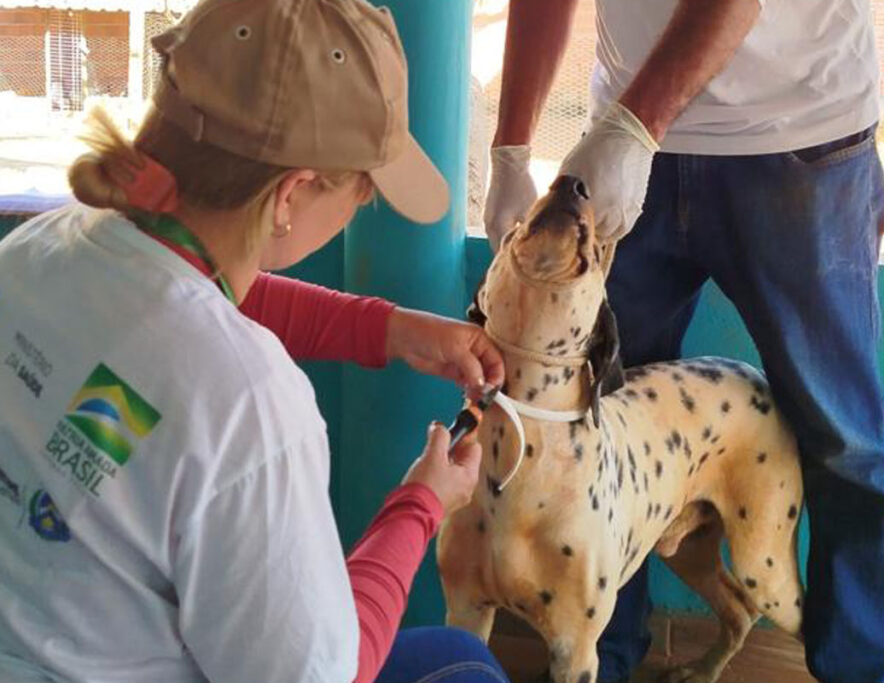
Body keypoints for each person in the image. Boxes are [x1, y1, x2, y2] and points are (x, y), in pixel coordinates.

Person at [0, 1, 508, 682]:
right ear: (291, 195)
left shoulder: (42, 245)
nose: (361, 205)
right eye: (363, 190)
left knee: (459, 654)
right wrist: (422, 503)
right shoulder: (248, 400)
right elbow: (330, 672)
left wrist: (387, 330)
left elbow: (188, 297)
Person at [483, 1, 884, 682]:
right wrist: (508, 147)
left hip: (795, 137)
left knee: (844, 441)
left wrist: (632, 127)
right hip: (632, 139)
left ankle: (871, 674)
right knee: (597, 419)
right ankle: (599, 657)